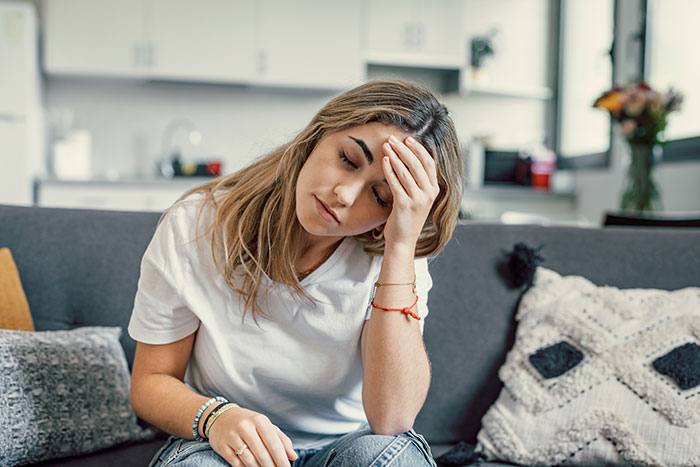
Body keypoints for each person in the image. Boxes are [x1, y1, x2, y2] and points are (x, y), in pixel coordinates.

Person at [128, 79, 463, 467]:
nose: (345, 194)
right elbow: (150, 382)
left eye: (381, 196)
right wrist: (216, 418)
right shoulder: (195, 225)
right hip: (225, 446)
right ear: (318, 134)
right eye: (348, 159)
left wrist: (401, 247)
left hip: (344, 448)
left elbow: (392, 419)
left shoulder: (396, 255)